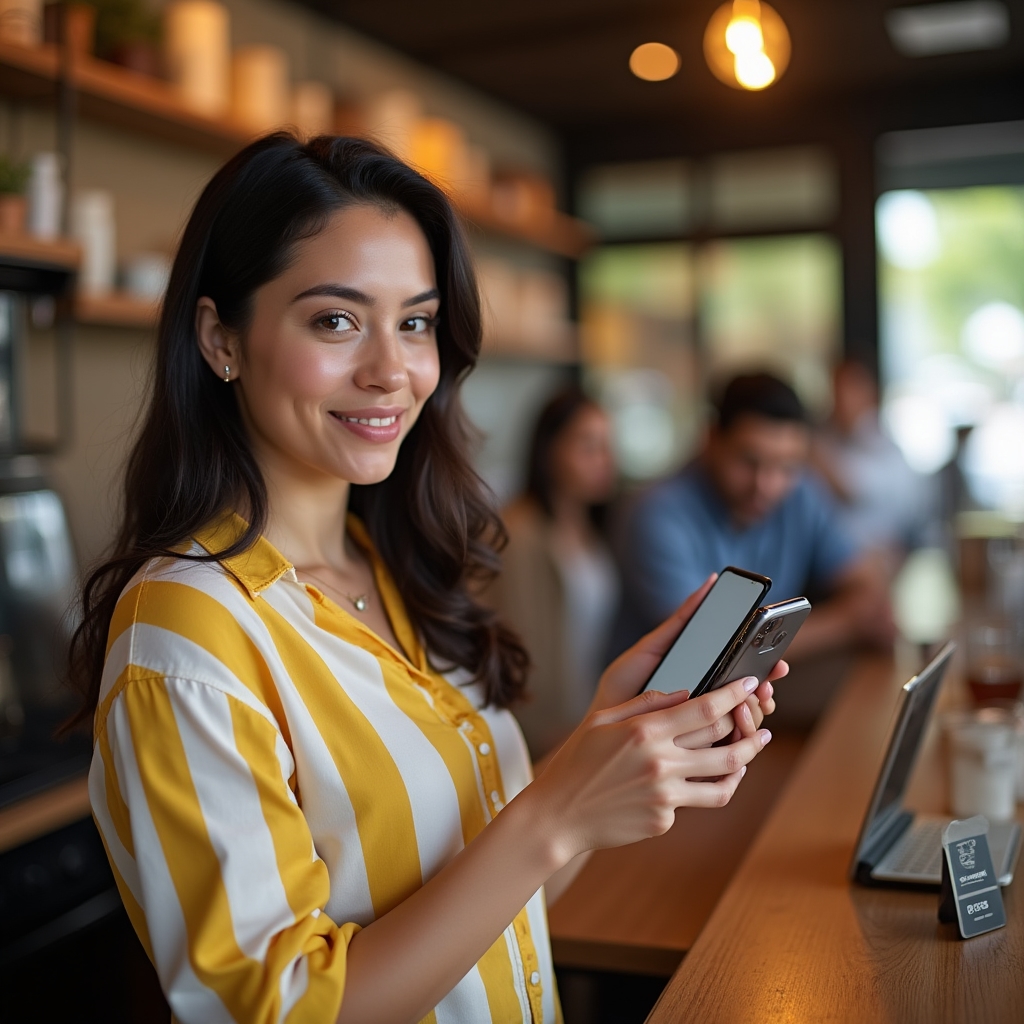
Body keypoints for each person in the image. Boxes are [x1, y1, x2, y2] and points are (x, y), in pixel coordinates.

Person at [68, 134, 782, 1024]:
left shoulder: (394, 571)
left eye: (415, 322)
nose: (392, 370)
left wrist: (607, 747)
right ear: (221, 338)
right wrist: (554, 813)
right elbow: (278, 1009)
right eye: (335, 320)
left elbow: (502, 913)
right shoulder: (187, 632)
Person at [614, 372, 894, 661]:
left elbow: (864, 580)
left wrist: (864, 602)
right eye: (749, 461)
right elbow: (707, 651)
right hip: (661, 698)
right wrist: (845, 623)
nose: (767, 485)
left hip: (762, 686)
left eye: (786, 465)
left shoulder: (801, 494)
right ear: (711, 439)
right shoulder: (655, 514)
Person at [491, 387, 619, 758]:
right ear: (550, 451)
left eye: (609, 445)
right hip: (543, 736)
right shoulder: (517, 533)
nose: (606, 460)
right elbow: (516, 648)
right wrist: (543, 732)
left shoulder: (591, 527)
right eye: (588, 446)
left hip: (586, 717)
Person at [812, 359, 934, 562]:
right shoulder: (828, 437)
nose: (840, 399)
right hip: (833, 562)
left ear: (871, 393)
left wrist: (810, 449)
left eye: (849, 389)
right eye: (835, 389)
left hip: (878, 560)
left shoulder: (880, 443)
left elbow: (851, 488)